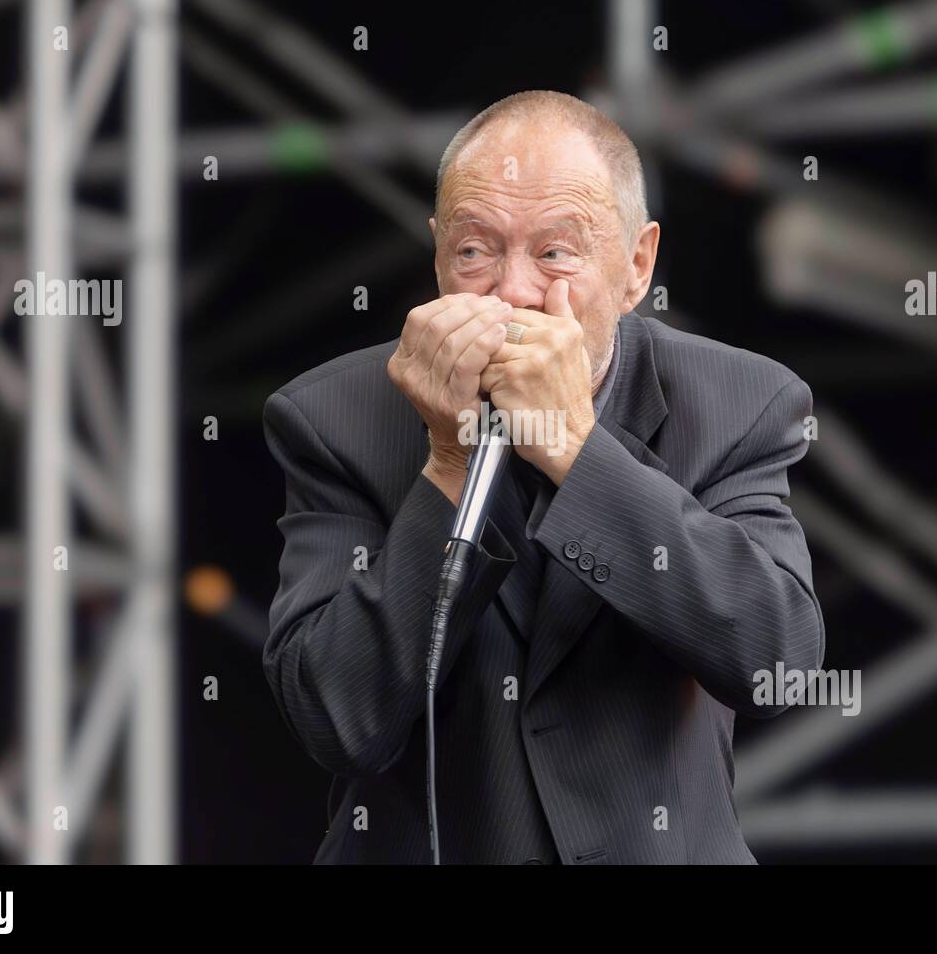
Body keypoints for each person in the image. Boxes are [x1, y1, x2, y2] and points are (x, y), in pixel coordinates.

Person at [262, 90, 824, 863]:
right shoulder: (335, 418)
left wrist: (574, 448)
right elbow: (338, 719)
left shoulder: (737, 402)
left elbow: (778, 664)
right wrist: (449, 467)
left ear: (636, 266)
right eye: (475, 251)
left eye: (555, 252)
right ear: (436, 257)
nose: (513, 291)